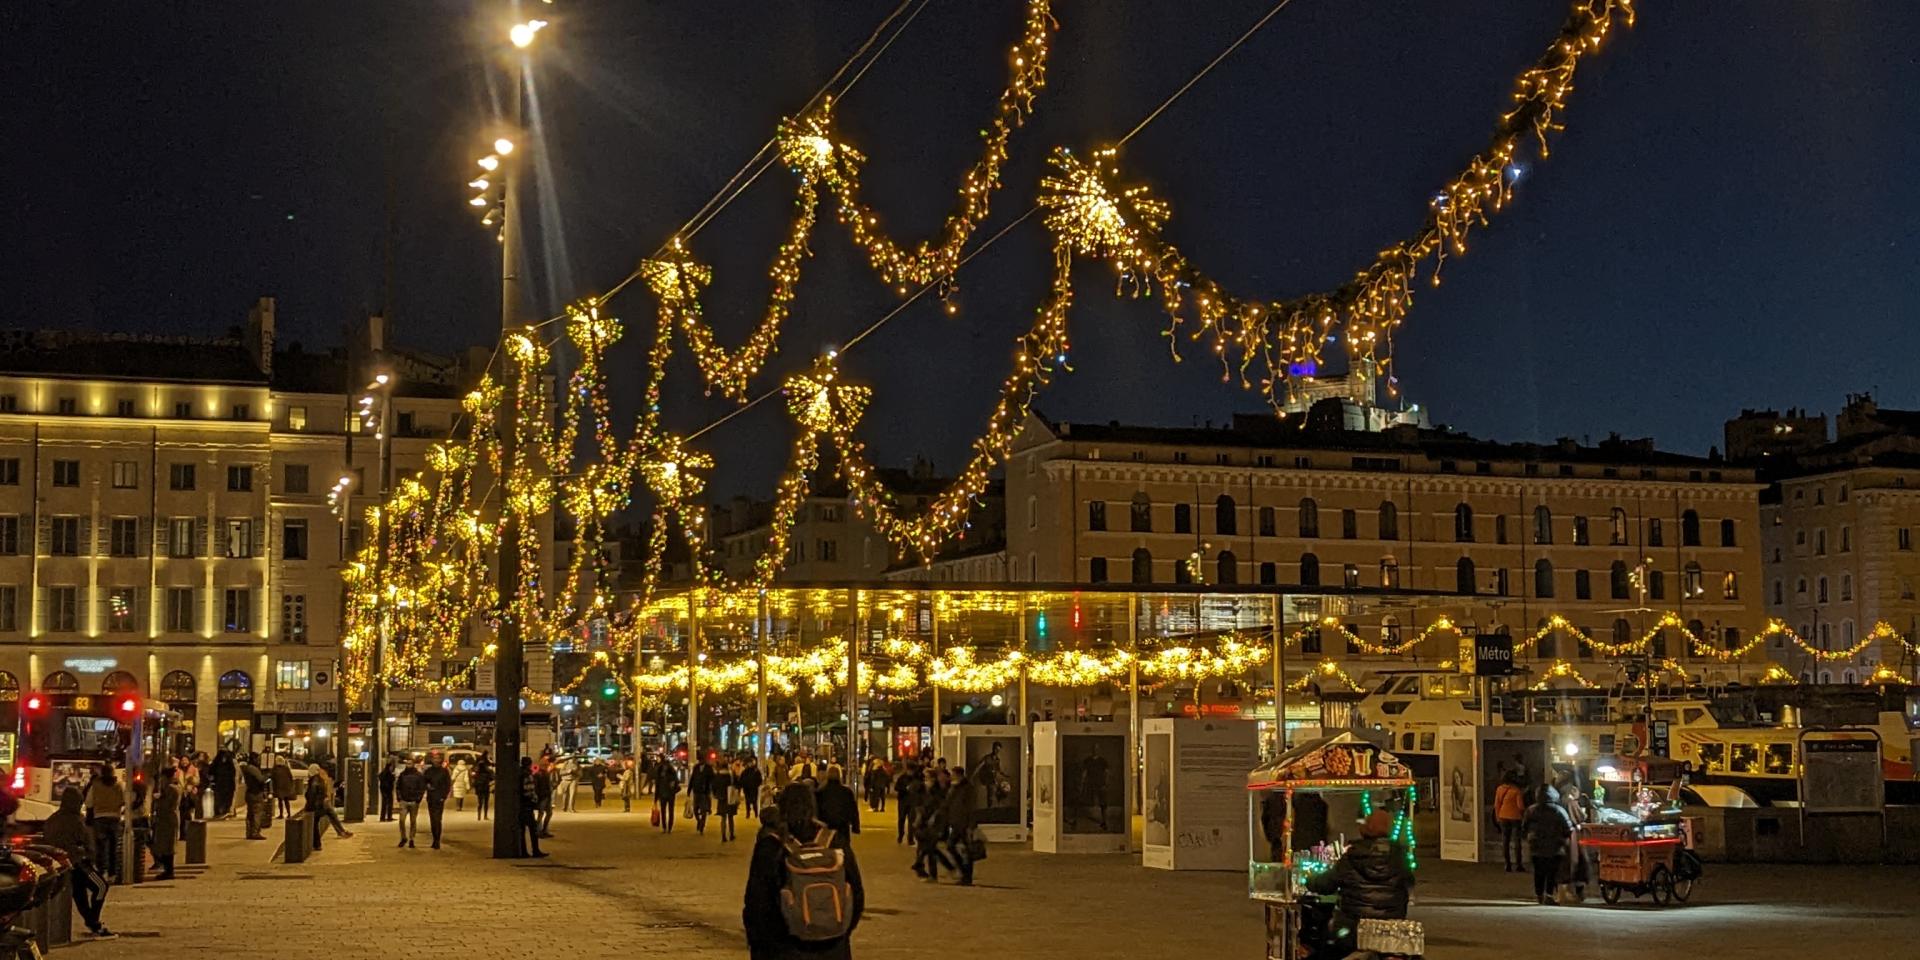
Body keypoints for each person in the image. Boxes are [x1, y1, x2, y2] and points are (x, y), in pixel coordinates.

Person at [742, 783, 863, 960]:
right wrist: (840, 933)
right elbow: (856, 893)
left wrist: (759, 944)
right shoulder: (834, 841)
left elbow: (756, 902)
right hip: (832, 948)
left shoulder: (771, 846)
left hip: (783, 948)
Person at [1305, 809, 1415, 953]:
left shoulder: (1352, 856)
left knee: (1321, 940)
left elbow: (1325, 884)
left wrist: (1310, 880)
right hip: (1390, 927)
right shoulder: (1399, 856)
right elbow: (1409, 882)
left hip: (1353, 927)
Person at [43, 788, 114, 939]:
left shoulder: (53, 819)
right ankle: (94, 921)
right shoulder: (76, 820)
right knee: (101, 886)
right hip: (79, 861)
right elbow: (87, 842)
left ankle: (92, 922)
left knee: (79, 894)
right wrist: (87, 853)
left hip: (62, 864)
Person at [1524, 786, 1574, 905]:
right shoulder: (1558, 810)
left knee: (1539, 871)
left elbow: (1524, 826)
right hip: (1555, 846)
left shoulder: (1531, 810)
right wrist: (1564, 837)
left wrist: (1529, 836)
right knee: (1552, 872)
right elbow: (1568, 827)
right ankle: (1549, 894)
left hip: (1536, 846)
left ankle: (1539, 894)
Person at [85, 767, 127, 876]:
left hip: (99, 818)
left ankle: (101, 870)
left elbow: (89, 802)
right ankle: (112, 873)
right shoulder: (119, 785)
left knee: (101, 846)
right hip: (115, 817)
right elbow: (124, 800)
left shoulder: (95, 786)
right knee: (113, 847)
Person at [913, 769, 952, 882]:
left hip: (934, 825)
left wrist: (934, 817)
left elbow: (940, 808)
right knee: (927, 849)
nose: (926, 780)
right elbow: (918, 804)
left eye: (928, 778)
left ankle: (930, 872)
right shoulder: (922, 790)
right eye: (925, 778)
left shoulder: (938, 792)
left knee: (930, 849)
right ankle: (922, 868)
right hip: (923, 824)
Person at [943, 767, 977, 886]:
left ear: (959, 775)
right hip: (956, 823)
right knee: (951, 846)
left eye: (953, 774)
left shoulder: (967, 788)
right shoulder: (954, 787)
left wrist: (971, 826)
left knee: (966, 851)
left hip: (964, 824)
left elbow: (972, 808)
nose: (951, 777)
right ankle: (964, 873)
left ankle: (967, 876)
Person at [815, 765, 860, 853]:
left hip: (826, 825)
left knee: (827, 848)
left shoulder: (820, 792)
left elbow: (817, 809)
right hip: (842, 825)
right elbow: (853, 810)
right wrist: (855, 826)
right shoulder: (846, 792)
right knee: (843, 847)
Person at [308, 761, 353, 839]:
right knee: (332, 815)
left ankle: (341, 831)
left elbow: (312, 794)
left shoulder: (315, 779)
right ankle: (341, 831)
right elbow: (315, 793)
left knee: (331, 815)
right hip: (320, 804)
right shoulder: (318, 779)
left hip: (319, 803)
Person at [149, 768, 180, 881]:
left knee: (167, 846)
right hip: (165, 819)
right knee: (164, 845)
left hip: (168, 820)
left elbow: (166, 805)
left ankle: (169, 871)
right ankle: (167, 870)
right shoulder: (169, 788)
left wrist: (159, 799)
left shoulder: (171, 789)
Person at [1493, 771, 1527, 872]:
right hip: (1515, 817)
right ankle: (1518, 864)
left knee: (1505, 841)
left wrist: (1498, 817)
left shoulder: (1499, 789)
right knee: (1517, 841)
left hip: (1503, 816)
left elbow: (1496, 804)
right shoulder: (1516, 790)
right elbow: (1520, 806)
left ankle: (1507, 864)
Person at [516, 757, 545, 857]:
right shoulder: (527, 775)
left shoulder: (519, 774)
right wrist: (534, 799)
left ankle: (523, 851)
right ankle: (535, 850)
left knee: (522, 830)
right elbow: (529, 790)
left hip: (521, 805)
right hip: (527, 805)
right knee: (533, 829)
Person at [395, 758, 427, 848]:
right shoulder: (403, 775)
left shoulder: (418, 775)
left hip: (414, 801)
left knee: (413, 821)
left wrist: (418, 799)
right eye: (407, 763)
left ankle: (411, 839)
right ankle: (403, 837)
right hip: (404, 801)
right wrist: (399, 797)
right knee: (402, 820)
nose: (408, 765)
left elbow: (422, 788)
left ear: (413, 764)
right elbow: (398, 787)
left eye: (410, 763)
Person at [424, 756, 453, 850]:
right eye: (434, 759)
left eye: (438, 759)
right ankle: (434, 839)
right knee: (433, 819)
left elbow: (447, 784)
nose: (436, 761)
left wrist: (443, 796)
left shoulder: (444, 771)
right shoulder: (428, 771)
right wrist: (427, 786)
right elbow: (424, 781)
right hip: (431, 798)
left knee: (437, 819)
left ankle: (437, 840)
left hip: (439, 798)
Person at [894, 761, 923, 844]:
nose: (910, 772)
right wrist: (905, 789)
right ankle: (901, 835)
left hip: (912, 801)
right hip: (903, 801)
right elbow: (897, 788)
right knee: (901, 819)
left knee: (911, 820)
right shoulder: (902, 778)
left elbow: (920, 789)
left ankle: (910, 838)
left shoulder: (917, 779)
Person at [714, 759, 741, 842]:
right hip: (730, 798)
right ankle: (731, 834)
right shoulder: (731, 775)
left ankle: (723, 836)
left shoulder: (717, 776)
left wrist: (716, 795)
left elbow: (714, 786)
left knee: (723, 818)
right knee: (730, 817)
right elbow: (737, 785)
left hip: (721, 798)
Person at [653, 755, 681, 833]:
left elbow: (657, 784)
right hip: (666, 794)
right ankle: (667, 827)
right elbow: (657, 785)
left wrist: (656, 797)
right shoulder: (662, 770)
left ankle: (667, 827)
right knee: (666, 811)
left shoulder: (664, 770)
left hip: (667, 794)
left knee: (668, 811)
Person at [689, 756, 715, 835]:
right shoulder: (696, 768)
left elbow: (712, 778)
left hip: (705, 792)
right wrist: (689, 789)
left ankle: (702, 826)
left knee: (704, 810)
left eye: (702, 760)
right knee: (695, 810)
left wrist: (712, 788)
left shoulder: (708, 768)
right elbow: (692, 778)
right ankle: (699, 821)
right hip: (696, 791)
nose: (700, 761)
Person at [210, 749, 236, 818]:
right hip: (219, 784)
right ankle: (219, 812)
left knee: (226, 799)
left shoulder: (229, 764)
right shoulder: (217, 763)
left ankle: (225, 811)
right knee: (219, 799)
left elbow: (233, 773)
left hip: (227, 785)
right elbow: (211, 771)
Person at [535, 758, 556, 837]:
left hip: (546, 796)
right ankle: (539, 831)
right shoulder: (539, 774)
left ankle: (543, 830)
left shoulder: (545, 773)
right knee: (541, 814)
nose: (547, 766)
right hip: (543, 796)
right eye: (546, 765)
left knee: (548, 813)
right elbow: (537, 787)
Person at [738, 756, 764, 820]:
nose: (750, 764)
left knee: (754, 801)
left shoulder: (756, 771)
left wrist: (756, 784)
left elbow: (759, 780)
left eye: (751, 762)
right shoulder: (745, 771)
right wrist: (743, 786)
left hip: (754, 788)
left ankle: (756, 813)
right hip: (747, 789)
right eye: (749, 763)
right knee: (747, 801)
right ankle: (748, 813)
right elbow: (741, 780)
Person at [472, 756, 494, 820]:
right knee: (486, 803)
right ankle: (485, 816)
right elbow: (492, 778)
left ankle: (479, 816)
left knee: (480, 802)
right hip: (486, 788)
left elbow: (474, 782)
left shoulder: (477, 774)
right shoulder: (488, 772)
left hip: (479, 789)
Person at [377, 757, 398, 821]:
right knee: (388, 804)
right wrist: (393, 777)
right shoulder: (388, 774)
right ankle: (388, 817)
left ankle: (383, 817)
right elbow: (390, 780)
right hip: (387, 790)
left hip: (384, 790)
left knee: (385, 804)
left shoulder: (383, 773)